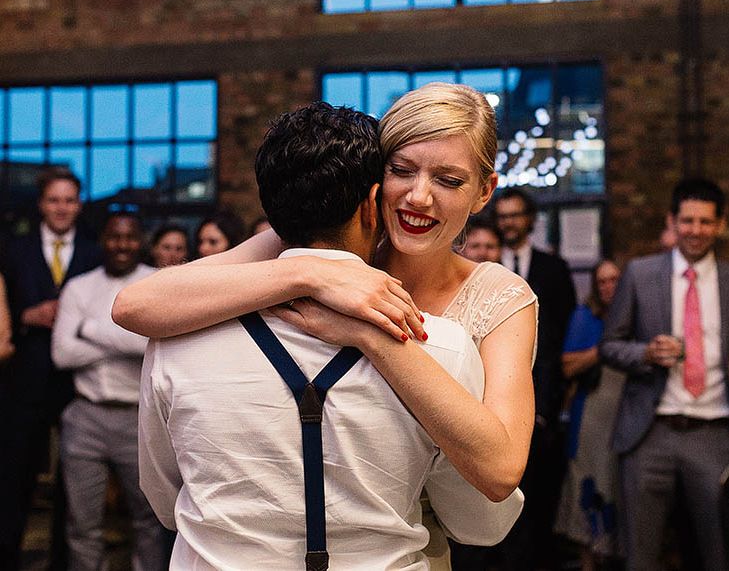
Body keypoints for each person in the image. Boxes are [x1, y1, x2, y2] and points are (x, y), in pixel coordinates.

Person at [138, 102, 525, 569]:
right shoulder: (283, 253)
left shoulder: (495, 300)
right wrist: (311, 276)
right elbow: (134, 305)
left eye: (448, 180)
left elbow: (494, 487)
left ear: (484, 192)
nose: (419, 196)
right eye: (403, 170)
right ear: (373, 190)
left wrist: (374, 337)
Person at [600, 178, 729, 571]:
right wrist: (646, 352)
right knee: (640, 554)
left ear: (720, 225)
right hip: (650, 432)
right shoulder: (641, 274)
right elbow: (609, 345)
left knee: (717, 553)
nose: (695, 230)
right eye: (687, 221)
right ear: (672, 222)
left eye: (705, 222)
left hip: (715, 434)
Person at [51, 213, 166, 571]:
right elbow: (62, 354)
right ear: (103, 240)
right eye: (115, 237)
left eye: (130, 237)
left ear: (141, 241)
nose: (122, 245)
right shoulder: (79, 287)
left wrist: (89, 328)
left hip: (139, 418)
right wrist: (126, 339)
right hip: (85, 417)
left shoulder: (157, 283)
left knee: (149, 521)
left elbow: (153, 343)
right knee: (82, 524)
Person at [0, 167, 102, 571]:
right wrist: (28, 315)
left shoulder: (96, 252)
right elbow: (4, 308)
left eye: (69, 200)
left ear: (79, 205)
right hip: (22, 384)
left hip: (76, 384)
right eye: (54, 200)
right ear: (42, 204)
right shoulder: (13, 249)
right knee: (13, 480)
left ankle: (62, 563)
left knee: (73, 489)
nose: (61, 208)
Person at [493, 187, 576, 570]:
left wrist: (548, 405)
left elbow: (559, 338)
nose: (508, 222)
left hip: (540, 399)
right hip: (491, 393)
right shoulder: (485, 264)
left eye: (515, 215)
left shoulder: (553, 269)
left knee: (537, 502)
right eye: (503, 215)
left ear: (530, 220)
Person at [554, 259, 623, 571]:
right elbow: (567, 365)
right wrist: (604, 349)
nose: (609, 287)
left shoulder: (636, 314)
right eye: (603, 281)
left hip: (628, 417)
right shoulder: (585, 317)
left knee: (620, 487)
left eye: (615, 280)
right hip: (591, 416)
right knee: (586, 483)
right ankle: (587, 562)